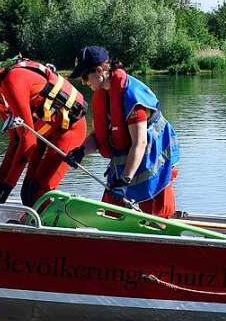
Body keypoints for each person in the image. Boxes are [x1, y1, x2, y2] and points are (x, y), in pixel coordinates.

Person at [0, 52, 88, 206]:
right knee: (27, 193)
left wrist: (7, 186)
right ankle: (36, 225)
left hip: (69, 130)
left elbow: (28, 140)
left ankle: (58, 226)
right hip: (44, 135)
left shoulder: (11, 82)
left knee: (38, 193)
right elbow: (16, 141)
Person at [67, 46, 180, 217]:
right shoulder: (103, 94)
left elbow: (140, 143)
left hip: (154, 162)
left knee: (156, 218)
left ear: (99, 71)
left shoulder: (132, 96)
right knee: (111, 212)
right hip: (129, 163)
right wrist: (81, 151)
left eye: (84, 77)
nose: (84, 82)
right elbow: (98, 136)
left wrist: (124, 181)